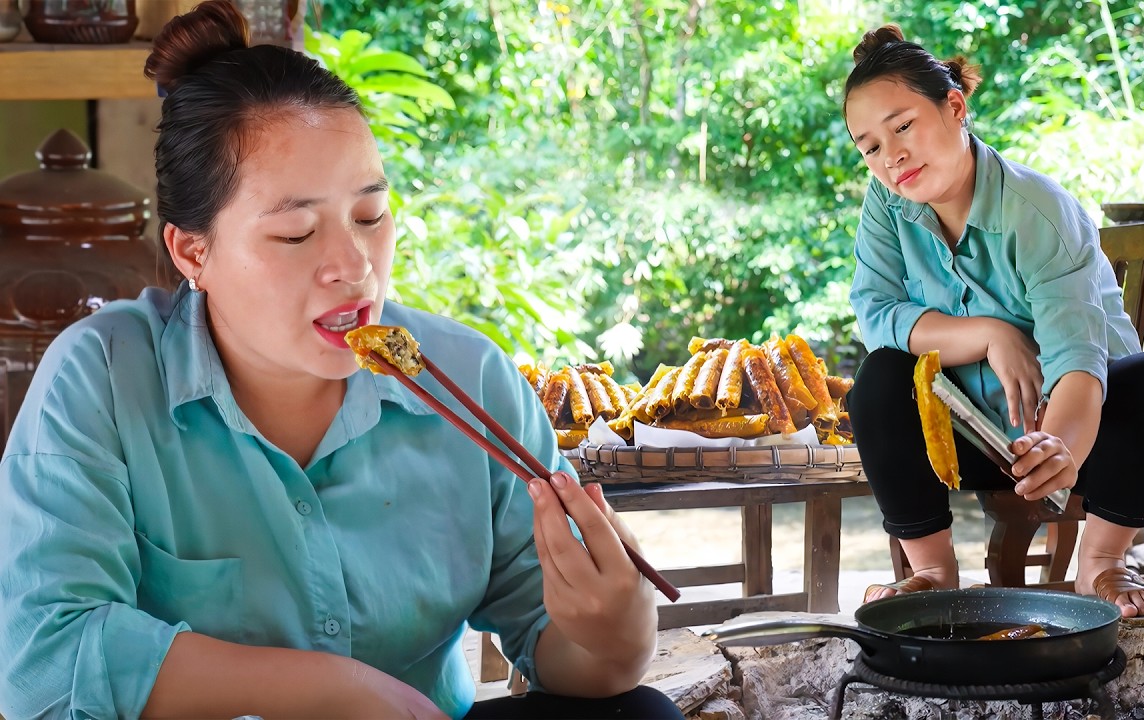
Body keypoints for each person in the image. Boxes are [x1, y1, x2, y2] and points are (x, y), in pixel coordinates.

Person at [0, 2, 683, 718]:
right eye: (296, 234)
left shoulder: (469, 379)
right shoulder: (104, 376)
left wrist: (615, 639)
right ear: (192, 252)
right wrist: (337, 689)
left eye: (369, 217)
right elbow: (43, 664)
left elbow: (561, 652)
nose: (354, 267)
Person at [842, 25, 1144, 625]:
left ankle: (1103, 561)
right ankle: (931, 571)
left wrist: (1056, 445)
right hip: (974, 435)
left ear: (954, 106)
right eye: (870, 146)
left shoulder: (1036, 212)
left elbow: (1078, 359)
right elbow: (876, 314)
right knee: (880, 378)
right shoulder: (888, 203)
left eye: (902, 126)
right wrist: (989, 332)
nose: (891, 156)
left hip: (1084, 434)